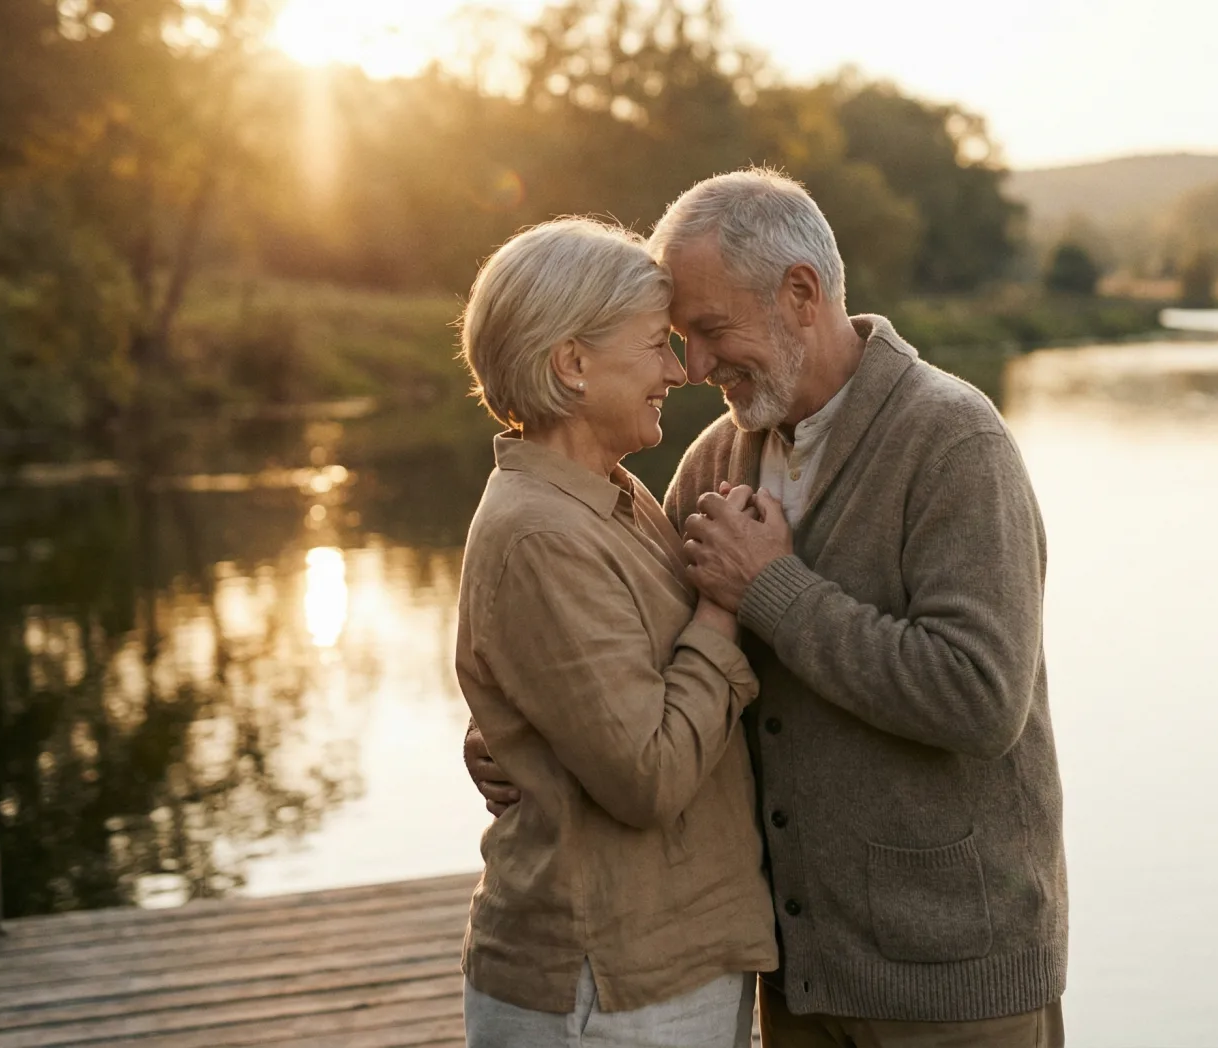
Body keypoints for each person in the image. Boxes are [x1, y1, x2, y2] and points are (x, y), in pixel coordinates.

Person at [469, 169, 1067, 1047]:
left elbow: (981, 698)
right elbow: (654, 658)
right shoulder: (718, 457)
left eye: (711, 331)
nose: (696, 367)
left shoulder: (955, 441)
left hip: (953, 987)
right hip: (795, 977)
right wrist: (530, 722)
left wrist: (774, 592)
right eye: (677, 338)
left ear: (800, 294)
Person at [451, 216, 775, 1047]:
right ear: (572, 363)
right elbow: (648, 776)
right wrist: (725, 603)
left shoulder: (615, 499)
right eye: (655, 346)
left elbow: (591, 697)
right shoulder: (542, 533)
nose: (679, 370)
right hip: (609, 987)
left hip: (663, 964)